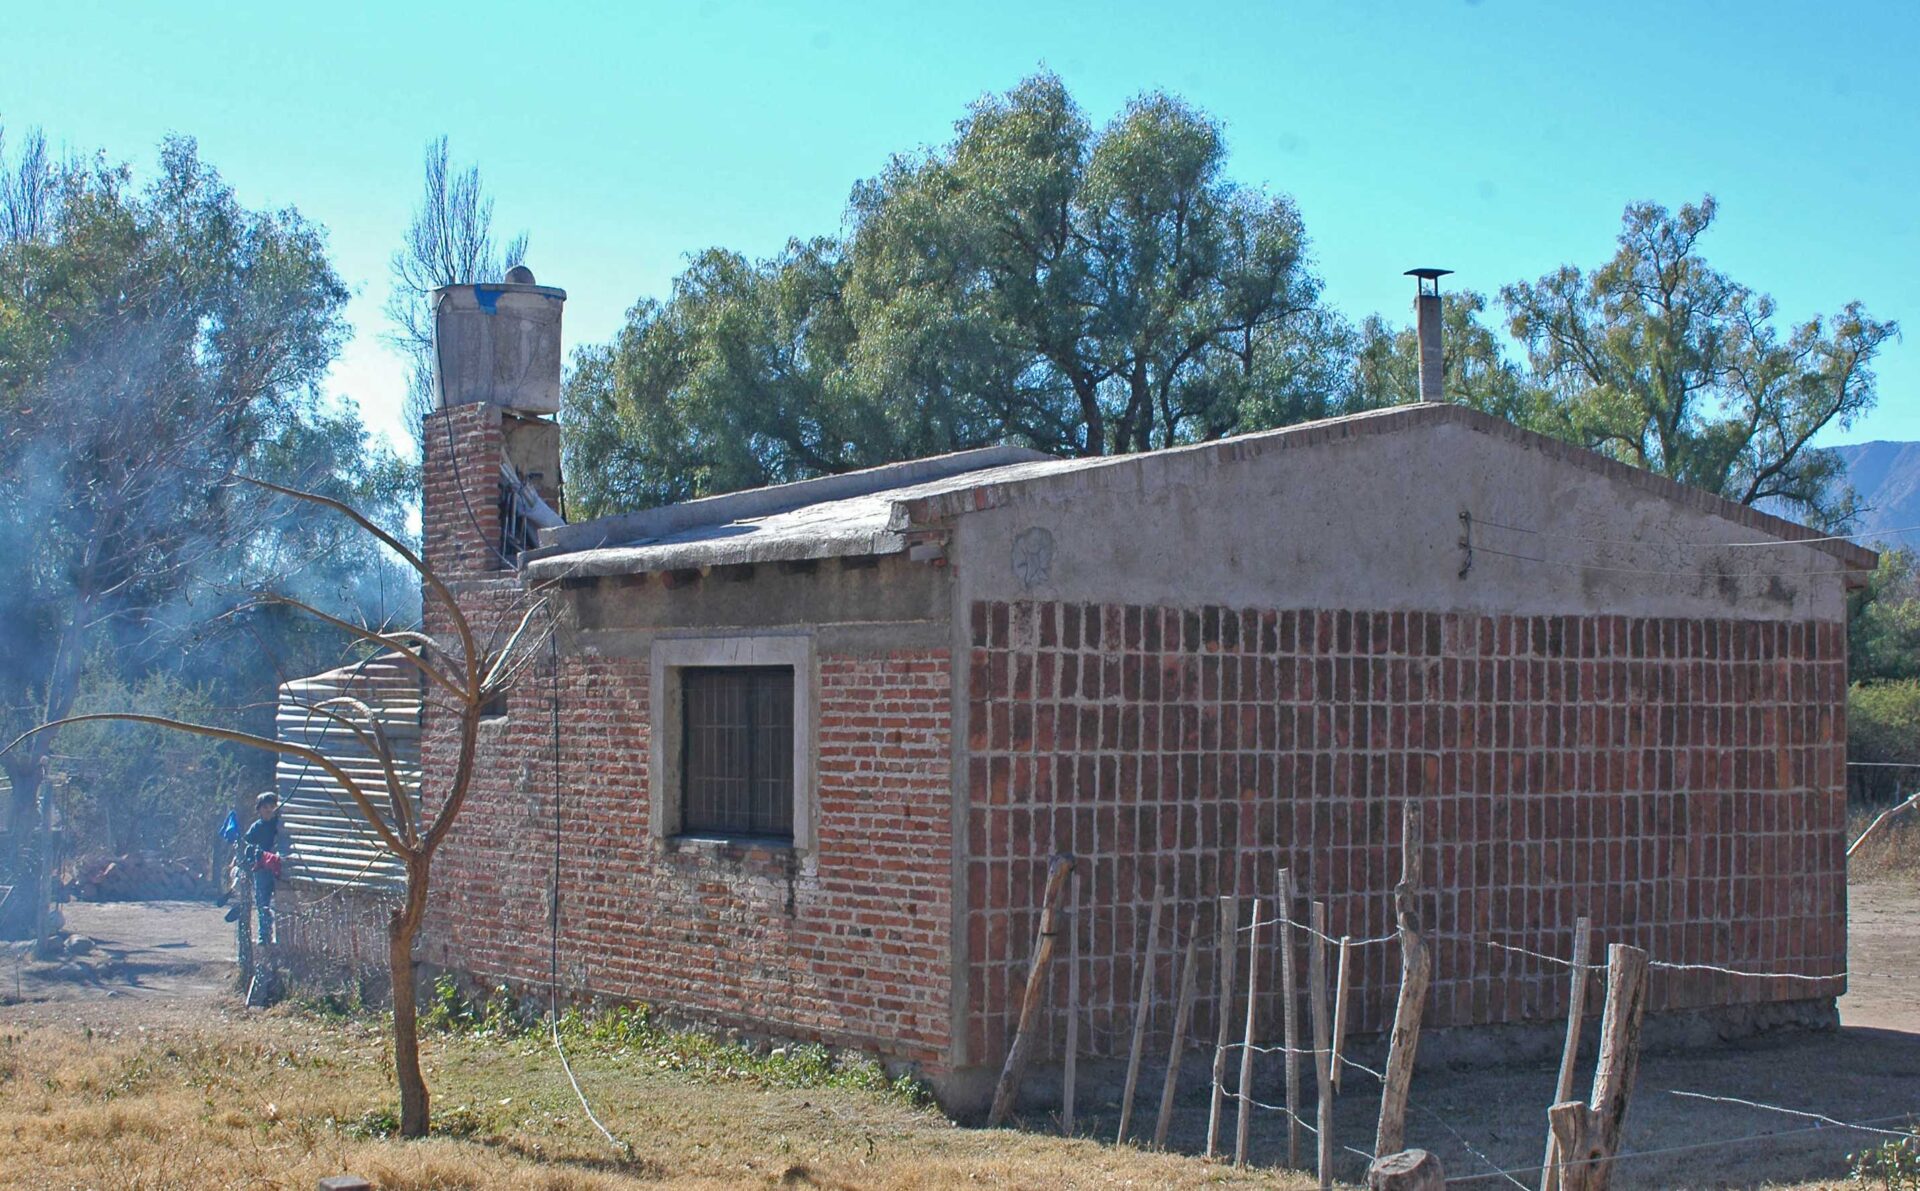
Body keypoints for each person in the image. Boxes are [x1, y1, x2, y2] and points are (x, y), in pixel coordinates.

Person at [241, 792, 285, 946]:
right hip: (262, 869)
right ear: (259, 809)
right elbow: (247, 846)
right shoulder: (256, 827)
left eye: (272, 806)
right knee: (262, 903)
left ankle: (283, 937)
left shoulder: (279, 825)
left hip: (279, 868)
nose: (268, 810)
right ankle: (264, 935)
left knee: (282, 901)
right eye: (265, 807)